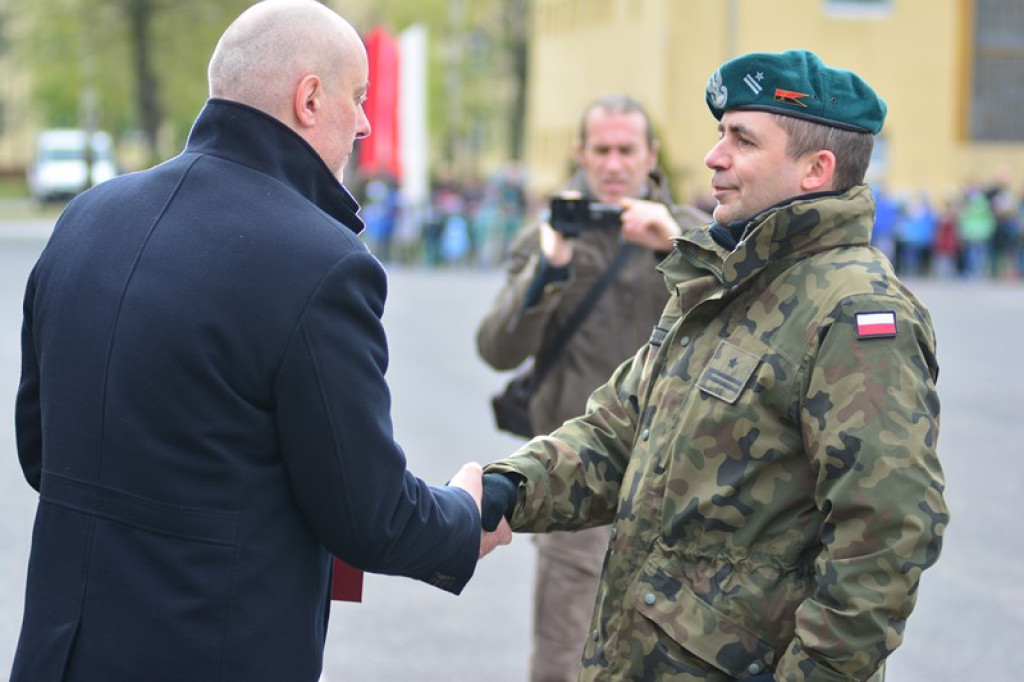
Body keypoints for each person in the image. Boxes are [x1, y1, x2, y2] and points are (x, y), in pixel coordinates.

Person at [11, 2, 510, 680]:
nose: (365, 122)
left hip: (58, 654)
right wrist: (465, 513)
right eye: (357, 99)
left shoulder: (87, 217)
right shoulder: (322, 261)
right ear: (309, 98)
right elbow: (370, 516)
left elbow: (42, 453)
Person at [481, 49, 949, 681]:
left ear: (816, 169)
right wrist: (501, 491)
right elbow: (621, 430)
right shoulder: (722, 279)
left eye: (742, 140)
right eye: (719, 132)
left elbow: (886, 534)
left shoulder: (855, 313)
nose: (713, 156)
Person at [476, 94, 708, 682]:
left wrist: (677, 243)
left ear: (650, 155)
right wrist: (550, 266)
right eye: (600, 149)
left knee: (680, 647)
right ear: (580, 153)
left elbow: (749, 316)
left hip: (680, 482)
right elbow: (497, 348)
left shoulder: (696, 236)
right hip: (576, 477)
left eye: (626, 150)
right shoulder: (549, 236)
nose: (612, 163)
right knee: (566, 647)